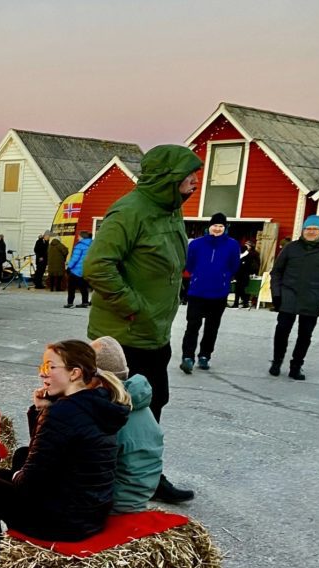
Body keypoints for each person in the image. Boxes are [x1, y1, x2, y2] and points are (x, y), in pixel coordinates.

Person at [83, 144, 203, 504]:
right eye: (188, 175)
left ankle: (144, 474)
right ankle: (101, 477)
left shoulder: (170, 212)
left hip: (154, 333)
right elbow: (97, 266)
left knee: (153, 402)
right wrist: (134, 307)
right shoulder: (129, 211)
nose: (195, 181)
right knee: (117, 408)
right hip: (123, 335)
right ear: (168, 178)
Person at [0, 340, 130, 568]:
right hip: (92, 513)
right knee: (6, 468)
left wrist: (17, 475)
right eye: (42, 365)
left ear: (75, 373)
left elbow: (31, 481)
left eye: (50, 366)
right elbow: (45, 450)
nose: (42, 372)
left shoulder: (64, 412)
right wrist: (41, 411)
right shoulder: (98, 402)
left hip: (64, 523)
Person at [92, 337, 164, 513]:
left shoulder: (110, 411)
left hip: (114, 504)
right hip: (136, 497)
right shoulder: (134, 401)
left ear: (98, 379)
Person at [268, 215, 319, 380]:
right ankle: (277, 361)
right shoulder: (291, 248)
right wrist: (276, 294)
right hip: (289, 295)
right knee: (282, 330)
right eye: (308, 228)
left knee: (305, 334)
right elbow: (276, 272)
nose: (311, 232)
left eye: (315, 229)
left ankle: (296, 366)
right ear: (303, 230)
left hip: (312, 298)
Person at [179, 213, 240, 374]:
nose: (217, 229)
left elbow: (234, 265)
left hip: (218, 293)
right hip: (197, 291)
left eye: (221, 226)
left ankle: (205, 355)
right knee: (192, 325)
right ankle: (187, 357)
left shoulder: (232, 245)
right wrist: (198, 276)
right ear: (209, 227)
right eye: (215, 225)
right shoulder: (197, 244)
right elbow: (189, 264)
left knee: (212, 327)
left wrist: (224, 277)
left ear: (225, 228)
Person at [65, 231, 91, 308]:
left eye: (79, 236)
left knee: (71, 287)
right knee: (84, 287)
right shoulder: (92, 245)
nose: (78, 238)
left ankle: (70, 303)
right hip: (86, 269)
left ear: (82, 237)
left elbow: (75, 258)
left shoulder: (80, 246)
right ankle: (85, 302)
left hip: (76, 270)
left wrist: (69, 267)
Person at [233, 239, 260, 309]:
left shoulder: (252, 254)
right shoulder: (243, 253)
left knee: (241, 289)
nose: (245, 246)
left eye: (247, 245)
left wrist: (254, 272)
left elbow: (255, 264)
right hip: (240, 274)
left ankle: (243, 302)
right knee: (239, 289)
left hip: (245, 274)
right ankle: (241, 303)